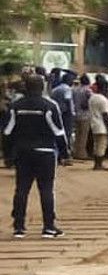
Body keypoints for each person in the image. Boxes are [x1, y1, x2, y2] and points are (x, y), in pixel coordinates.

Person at [4, 75, 69, 238]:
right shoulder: (49, 106)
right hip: (45, 153)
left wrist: (7, 154)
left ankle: (19, 227)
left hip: (22, 152)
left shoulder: (15, 106)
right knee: (46, 189)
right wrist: (64, 153)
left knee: (21, 189)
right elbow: (59, 132)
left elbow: (7, 132)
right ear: (43, 87)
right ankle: (48, 227)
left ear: (26, 87)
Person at [87, 77, 108, 171]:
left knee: (96, 144)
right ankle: (99, 164)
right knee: (101, 145)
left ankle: (97, 163)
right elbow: (105, 115)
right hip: (102, 125)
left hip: (94, 124)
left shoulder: (92, 98)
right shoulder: (103, 100)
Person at [72, 74, 92, 160]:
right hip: (85, 115)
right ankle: (82, 154)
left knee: (77, 135)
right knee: (83, 136)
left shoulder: (74, 90)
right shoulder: (88, 91)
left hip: (76, 114)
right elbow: (90, 101)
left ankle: (75, 152)